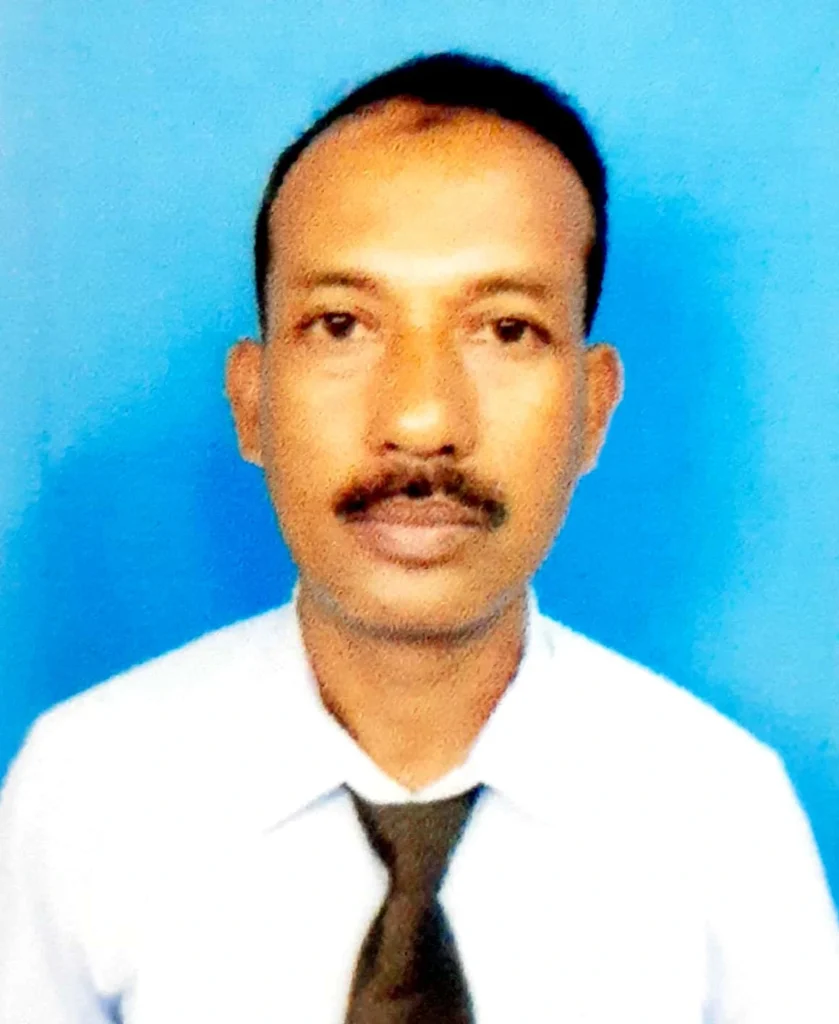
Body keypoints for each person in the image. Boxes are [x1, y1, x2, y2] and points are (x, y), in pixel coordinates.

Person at [1, 52, 837, 1024]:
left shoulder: (723, 815)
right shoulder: (84, 788)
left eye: (506, 330)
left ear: (592, 410)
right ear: (252, 400)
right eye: (341, 324)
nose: (421, 419)